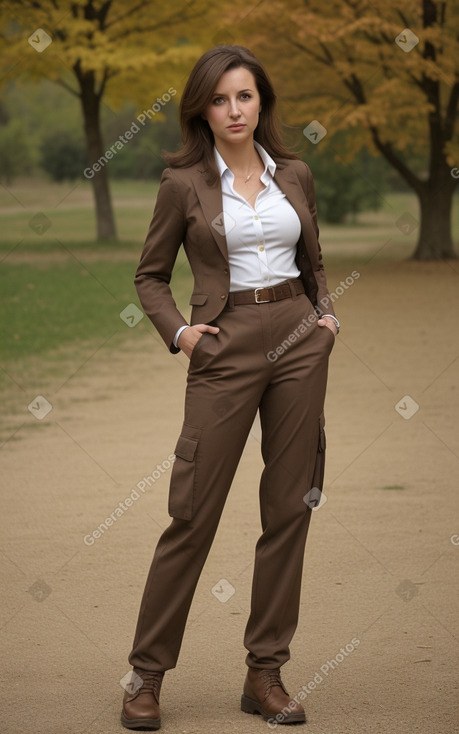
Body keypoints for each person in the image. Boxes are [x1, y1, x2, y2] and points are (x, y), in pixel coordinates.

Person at [121, 45, 339, 731]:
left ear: (261, 103)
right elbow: (148, 276)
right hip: (223, 342)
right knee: (192, 512)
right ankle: (145, 677)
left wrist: (324, 314)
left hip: (299, 340)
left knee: (290, 504)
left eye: (244, 96)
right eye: (219, 99)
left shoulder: (295, 174)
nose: (234, 109)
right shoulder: (182, 182)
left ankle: (264, 674)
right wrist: (181, 333)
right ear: (201, 110)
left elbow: (313, 257)